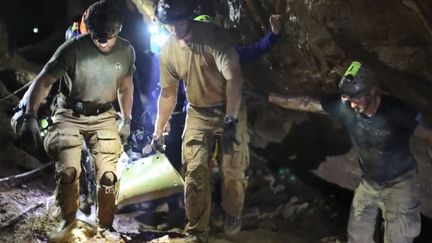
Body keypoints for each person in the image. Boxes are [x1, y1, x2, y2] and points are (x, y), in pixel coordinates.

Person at [254, 61, 426, 242]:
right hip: (369, 184)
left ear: (373, 91)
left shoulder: (398, 112)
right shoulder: (346, 106)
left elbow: (428, 135)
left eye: (356, 98)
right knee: (357, 236)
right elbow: (305, 102)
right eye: (348, 98)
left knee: (398, 238)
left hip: (400, 184)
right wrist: (269, 97)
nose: (351, 104)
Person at [20, 0, 135, 241]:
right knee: (69, 170)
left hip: (103, 114)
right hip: (70, 113)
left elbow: (125, 86)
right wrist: (30, 114)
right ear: (88, 29)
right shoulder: (72, 49)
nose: (103, 41)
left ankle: (106, 226)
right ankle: (68, 221)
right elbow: (44, 81)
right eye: (97, 36)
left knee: (108, 175)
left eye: (108, 36)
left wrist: (127, 119)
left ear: (119, 30)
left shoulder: (126, 51)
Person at [152, 0, 248, 242]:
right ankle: (197, 232)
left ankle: (232, 212)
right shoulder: (169, 51)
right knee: (194, 171)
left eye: (180, 22)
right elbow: (168, 93)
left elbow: (234, 77)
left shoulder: (214, 38)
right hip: (198, 111)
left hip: (229, 106)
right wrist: (158, 130)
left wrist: (231, 119)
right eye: (170, 25)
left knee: (233, 171)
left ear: (190, 16)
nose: (175, 29)